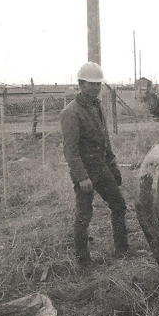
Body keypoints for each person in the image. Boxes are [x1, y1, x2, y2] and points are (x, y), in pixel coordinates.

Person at [61, 62, 128, 268]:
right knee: (84, 215)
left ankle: (122, 249)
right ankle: (82, 260)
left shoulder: (96, 106)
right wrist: (82, 177)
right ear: (81, 84)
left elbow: (104, 140)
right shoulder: (71, 113)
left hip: (101, 167)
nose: (96, 88)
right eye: (91, 84)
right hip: (85, 172)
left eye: (98, 84)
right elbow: (70, 151)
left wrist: (113, 167)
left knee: (119, 205)